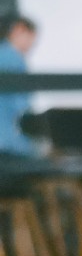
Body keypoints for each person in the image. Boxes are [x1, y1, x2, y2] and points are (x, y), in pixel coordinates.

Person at [0, 14, 37, 157]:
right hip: (8, 143)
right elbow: (19, 108)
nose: (31, 46)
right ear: (19, 30)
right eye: (32, 39)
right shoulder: (12, 58)